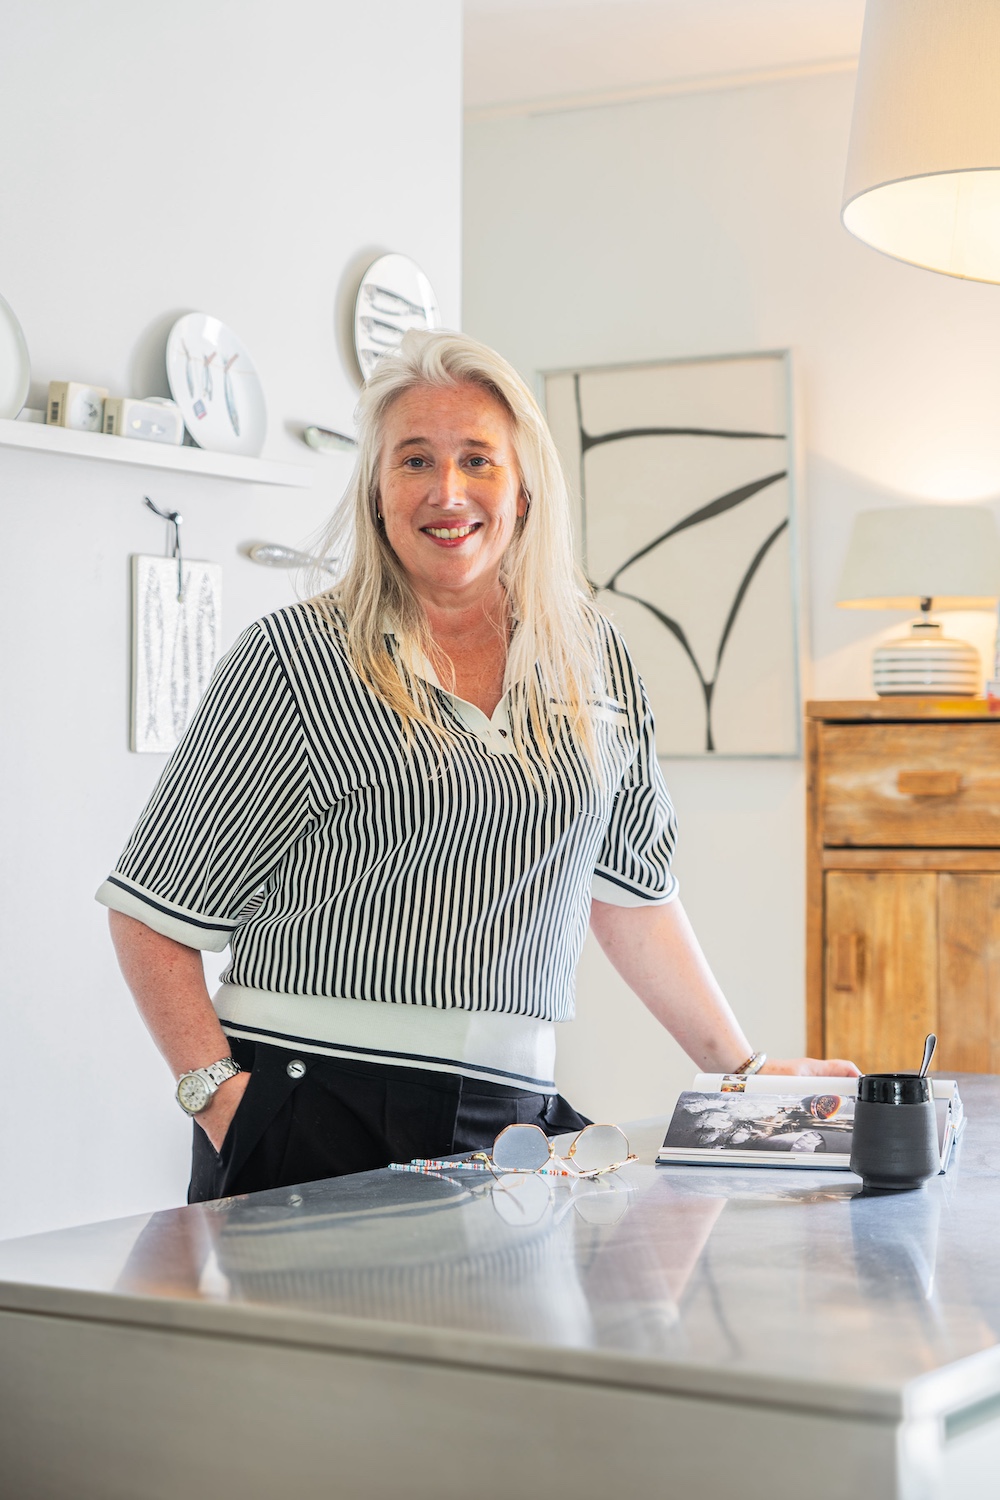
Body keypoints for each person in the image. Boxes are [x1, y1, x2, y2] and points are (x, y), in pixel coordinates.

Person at [99, 329, 857, 1203]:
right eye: (414, 461)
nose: (446, 492)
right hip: (312, 1100)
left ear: (524, 486)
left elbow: (633, 900)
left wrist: (746, 1075)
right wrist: (223, 1102)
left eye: (477, 460)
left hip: (514, 1114)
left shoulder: (593, 663)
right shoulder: (294, 658)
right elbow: (148, 912)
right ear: (378, 493)